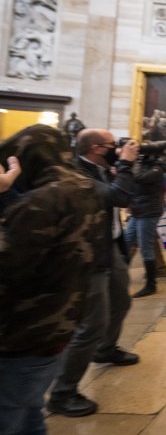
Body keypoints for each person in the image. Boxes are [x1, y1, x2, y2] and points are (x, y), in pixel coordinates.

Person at [0, 126, 104, 435]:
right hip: (58, 326)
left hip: (20, 333)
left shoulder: (40, 202)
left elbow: (6, 266)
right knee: (30, 413)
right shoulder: (84, 188)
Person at [49, 130, 139, 418]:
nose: (118, 149)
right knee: (91, 325)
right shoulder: (77, 173)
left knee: (122, 301)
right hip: (88, 255)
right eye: (114, 146)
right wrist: (125, 165)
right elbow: (119, 198)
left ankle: (106, 349)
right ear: (97, 148)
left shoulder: (99, 169)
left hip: (109, 246)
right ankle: (62, 393)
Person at [124, 151, 166, 298]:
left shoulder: (156, 169)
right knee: (126, 241)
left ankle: (151, 285)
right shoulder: (141, 165)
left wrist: (129, 162)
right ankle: (120, 277)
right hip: (137, 211)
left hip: (149, 212)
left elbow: (138, 178)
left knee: (146, 248)